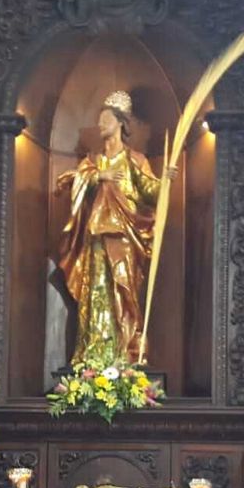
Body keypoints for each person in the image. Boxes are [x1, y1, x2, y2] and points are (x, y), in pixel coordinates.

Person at [55, 90, 172, 366]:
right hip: (96, 236)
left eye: (105, 119)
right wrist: (99, 176)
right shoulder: (93, 162)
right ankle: (93, 356)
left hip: (124, 237)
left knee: (124, 292)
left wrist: (165, 181)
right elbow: (70, 183)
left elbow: (150, 193)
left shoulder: (135, 160)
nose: (100, 125)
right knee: (95, 292)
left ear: (120, 122)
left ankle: (125, 353)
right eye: (99, 120)